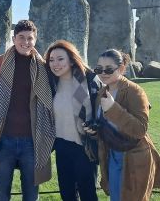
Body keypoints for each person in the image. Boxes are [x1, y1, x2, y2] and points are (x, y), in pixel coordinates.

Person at [0, 20, 55, 201]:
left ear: (35, 39)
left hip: (32, 140)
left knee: (31, 194)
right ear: (13, 38)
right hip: (4, 139)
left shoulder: (44, 67)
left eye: (30, 38)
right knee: (1, 193)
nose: (25, 42)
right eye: (21, 38)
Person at [84, 49, 160, 201]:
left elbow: (140, 129)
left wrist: (112, 108)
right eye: (99, 69)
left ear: (122, 68)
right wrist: (94, 132)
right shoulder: (102, 92)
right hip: (111, 154)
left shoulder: (135, 92)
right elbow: (107, 126)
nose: (103, 73)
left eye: (109, 69)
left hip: (133, 156)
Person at [44, 40, 102, 201]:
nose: (55, 64)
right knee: (67, 194)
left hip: (84, 146)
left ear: (71, 59)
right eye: (51, 60)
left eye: (60, 59)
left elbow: (102, 108)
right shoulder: (51, 83)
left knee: (88, 194)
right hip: (62, 145)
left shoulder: (87, 80)